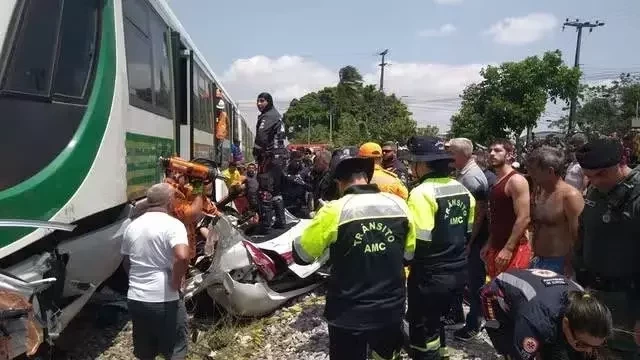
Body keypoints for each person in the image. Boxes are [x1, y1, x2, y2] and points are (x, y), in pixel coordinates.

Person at [292, 153, 416, 360]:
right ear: (367, 178)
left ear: (340, 183)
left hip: (349, 309)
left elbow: (302, 255)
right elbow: (409, 255)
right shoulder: (400, 205)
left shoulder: (334, 210)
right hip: (390, 305)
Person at [405, 136, 475, 359]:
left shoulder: (421, 193)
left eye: (412, 162)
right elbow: (467, 231)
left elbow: (419, 241)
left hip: (430, 273)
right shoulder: (461, 190)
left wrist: (404, 260)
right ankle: (441, 353)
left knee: (423, 325)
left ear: (423, 164)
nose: (410, 167)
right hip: (458, 270)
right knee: (437, 322)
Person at [573, 138, 640, 358]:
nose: (594, 181)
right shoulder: (596, 191)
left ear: (621, 162)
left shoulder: (636, 195)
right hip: (596, 294)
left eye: (601, 174)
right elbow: (585, 233)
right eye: (589, 176)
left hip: (630, 301)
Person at [121, 183, 190, 360]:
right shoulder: (173, 225)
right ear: (170, 201)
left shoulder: (132, 226)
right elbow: (182, 257)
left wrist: (137, 281)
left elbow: (126, 261)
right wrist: (175, 282)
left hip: (136, 299)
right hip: (165, 300)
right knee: (175, 349)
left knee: (145, 351)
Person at [481, 268, 612, 360]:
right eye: (581, 344)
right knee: (510, 349)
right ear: (566, 324)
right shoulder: (535, 322)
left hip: (543, 297)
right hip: (497, 296)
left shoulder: (586, 304)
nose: (589, 350)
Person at [446, 138, 491, 339]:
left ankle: (474, 322)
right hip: (468, 238)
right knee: (462, 279)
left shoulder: (471, 177)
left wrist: (470, 241)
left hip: (474, 239)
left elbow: (479, 214)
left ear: (463, 154)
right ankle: (456, 315)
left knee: (474, 283)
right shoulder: (465, 172)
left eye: (452, 153)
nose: (449, 157)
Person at [526, 146, 584, 275]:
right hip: (538, 261)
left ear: (550, 171)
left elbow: (578, 237)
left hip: (560, 264)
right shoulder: (541, 191)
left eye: (534, 170)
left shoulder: (570, 196)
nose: (530, 174)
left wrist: (569, 265)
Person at [481, 139, 532, 279]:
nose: (492, 154)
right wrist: (490, 243)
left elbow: (524, 217)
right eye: (490, 150)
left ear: (509, 155)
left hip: (513, 250)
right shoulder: (497, 181)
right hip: (497, 246)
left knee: (510, 294)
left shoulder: (516, 181)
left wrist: (508, 249)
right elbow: (498, 216)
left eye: (497, 150)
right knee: (495, 294)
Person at [253, 92, 284, 162]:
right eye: (257, 101)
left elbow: (261, 137)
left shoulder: (268, 116)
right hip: (278, 155)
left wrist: (256, 152)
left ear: (269, 102)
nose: (258, 104)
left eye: (262, 101)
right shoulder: (275, 114)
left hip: (271, 156)